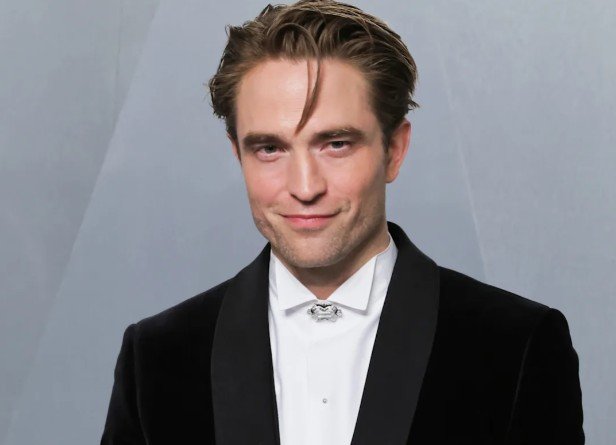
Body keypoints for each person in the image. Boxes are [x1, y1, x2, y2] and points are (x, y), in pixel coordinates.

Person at [100, 1, 584, 443]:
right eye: (269, 148)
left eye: (335, 144)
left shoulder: (517, 345)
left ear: (394, 150)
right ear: (238, 155)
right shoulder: (157, 357)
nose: (304, 186)